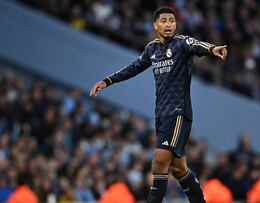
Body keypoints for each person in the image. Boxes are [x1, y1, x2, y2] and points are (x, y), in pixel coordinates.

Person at [90, 6, 227, 203]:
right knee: (179, 169)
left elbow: (197, 45)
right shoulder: (151, 49)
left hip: (178, 113)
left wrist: (213, 49)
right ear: (155, 25)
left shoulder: (181, 43)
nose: (169, 24)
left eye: (172, 21)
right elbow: (133, 68)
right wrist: (107, 81)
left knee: (159, 162)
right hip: (161, 115)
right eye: (164, 21)